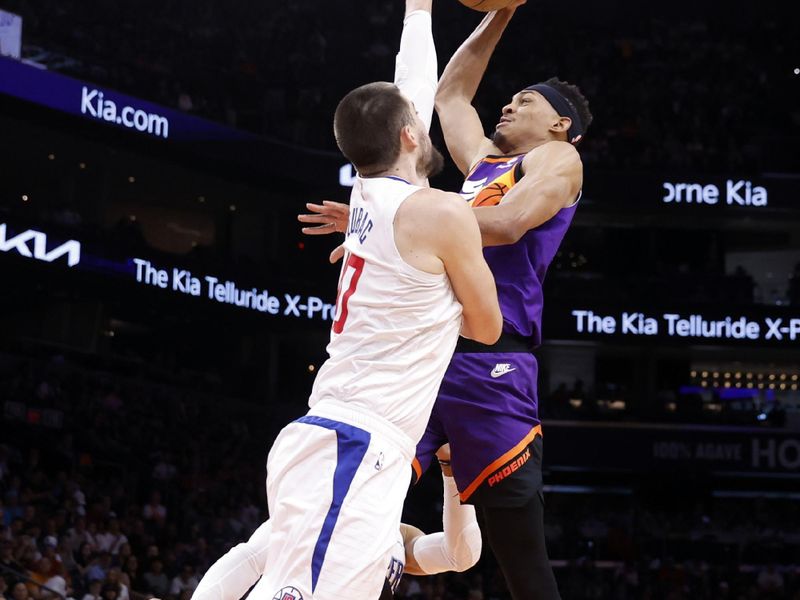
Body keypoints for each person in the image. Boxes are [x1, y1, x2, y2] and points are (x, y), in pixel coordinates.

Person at [301, 2, 592, 598]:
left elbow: (509, 224)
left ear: (561, 124)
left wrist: (394, 217)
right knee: (353, 504)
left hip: (493, 359)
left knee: (519, 549)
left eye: (527, 101)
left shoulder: (558, 160)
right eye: (510, 97)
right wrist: (504, 12)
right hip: (427, 353)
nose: (508, 104)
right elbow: (451, 96)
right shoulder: (484, 164)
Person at [245, 0, 503, 594]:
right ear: (412, 132)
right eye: (417, 115)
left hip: (349, 439)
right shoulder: (436, 211)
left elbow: (410, 83)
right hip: (356, 444)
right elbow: (488, 328)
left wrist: (418, 9)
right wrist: (442, 296)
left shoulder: (366, 191)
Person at [192, 445, 481, 600]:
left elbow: (460, 554)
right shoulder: (318, 509)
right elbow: (249, 558)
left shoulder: (396, 535)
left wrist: (452, 470)